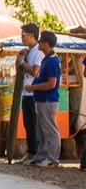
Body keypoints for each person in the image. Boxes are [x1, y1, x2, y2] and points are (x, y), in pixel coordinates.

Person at [23, 30, 62, 167]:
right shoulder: (47, 59)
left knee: (50, 130)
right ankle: (41, 155)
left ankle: (52, 158)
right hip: (41, 99)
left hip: (48, 99)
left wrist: (33, 88)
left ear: (45, 43)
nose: (38, 43)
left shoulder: (52, 61)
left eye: (40, 41)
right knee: (41, 130)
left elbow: (51, 83)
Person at [16, 23, 44, 162]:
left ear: (31, 35)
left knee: (33, 124)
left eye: (23, 35)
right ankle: (31, 151)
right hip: (25, 93)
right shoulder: (28, 51)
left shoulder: (39, 52)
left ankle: (37, 152)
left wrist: (22, 63)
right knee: (28, 125)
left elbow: (35, 72)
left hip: (33, 94)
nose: (22, 38)